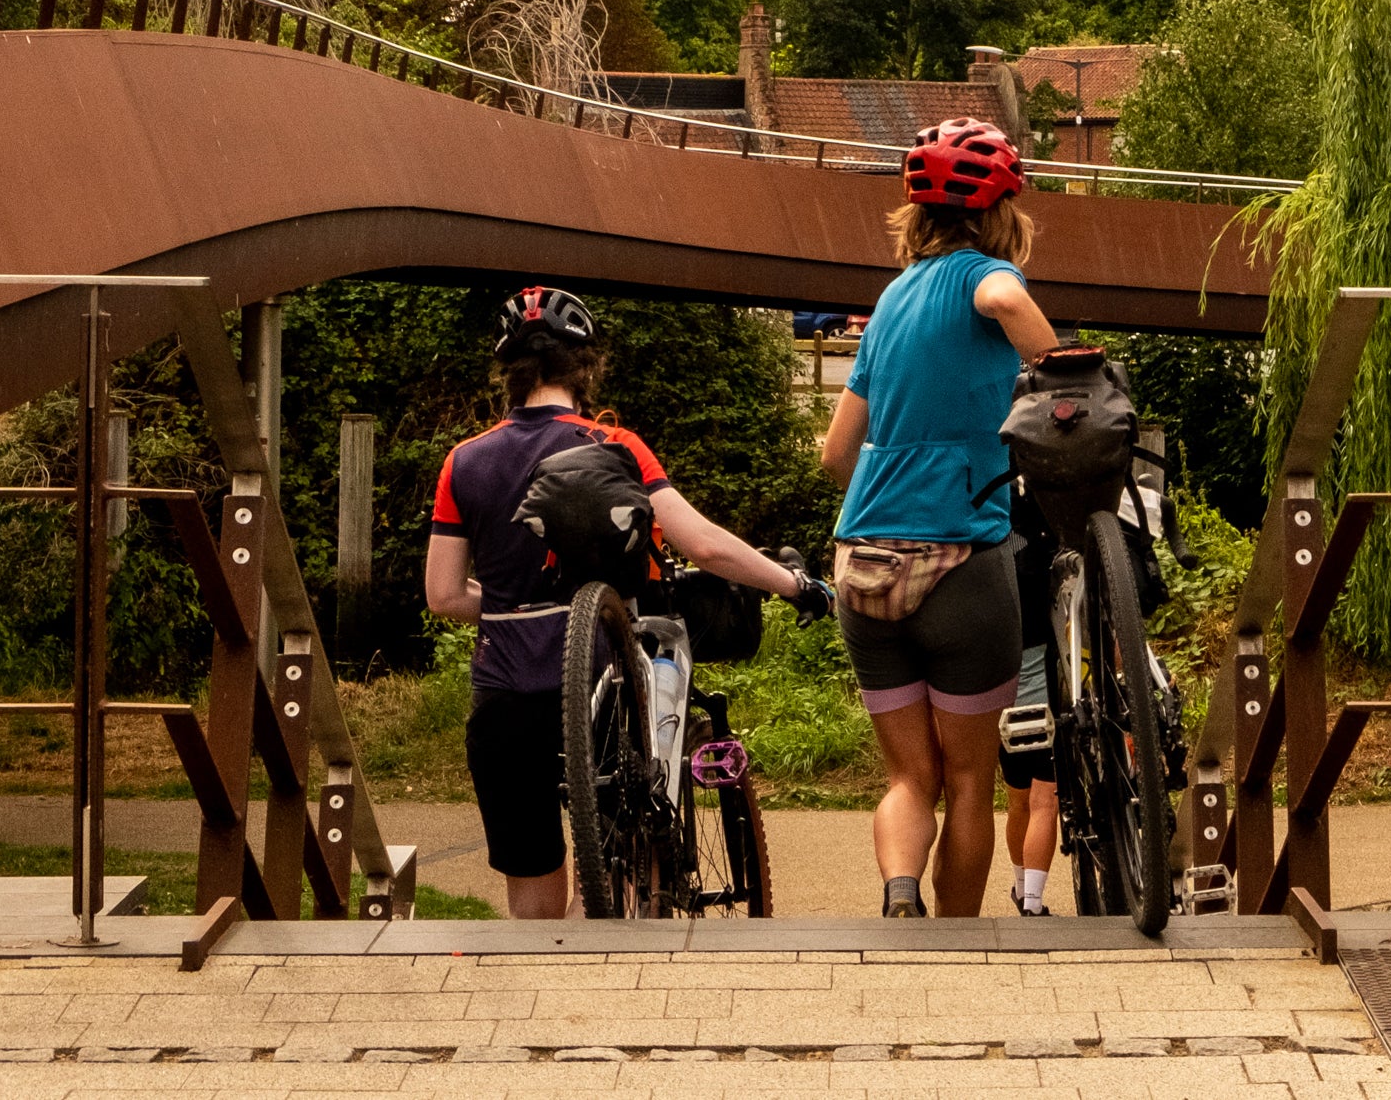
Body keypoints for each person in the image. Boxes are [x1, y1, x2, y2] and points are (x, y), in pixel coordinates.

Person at [423, 285, 829, 921]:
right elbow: (705, 546)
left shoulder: (463, 462)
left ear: (509, 371)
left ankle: (538, 996)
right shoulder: (615, 447)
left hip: (504, 693)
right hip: (605, 688)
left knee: (532, 880)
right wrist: (793, 583)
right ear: (585, 366)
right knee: (616, 870)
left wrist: (513, 605)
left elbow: (444, 594)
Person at [819, 118, 1059, 919]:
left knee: (905, 776)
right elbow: (1000, 293)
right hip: (963, 559)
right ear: (1002, 213)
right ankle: (954, 941)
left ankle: (898, 892)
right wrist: (1050, 364)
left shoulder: (887, 302)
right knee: (967, 782)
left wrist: (897, 476)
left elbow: (834, 452)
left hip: (864, 558)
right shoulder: (982, 276)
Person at [1001, 493, 1063, 916]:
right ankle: (1034, 904)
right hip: (1041, 708)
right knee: (1046, 803)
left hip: (1000, 707)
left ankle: (1021, 888)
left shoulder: (992, 547)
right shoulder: (1047, 554)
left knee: (1017, 802)